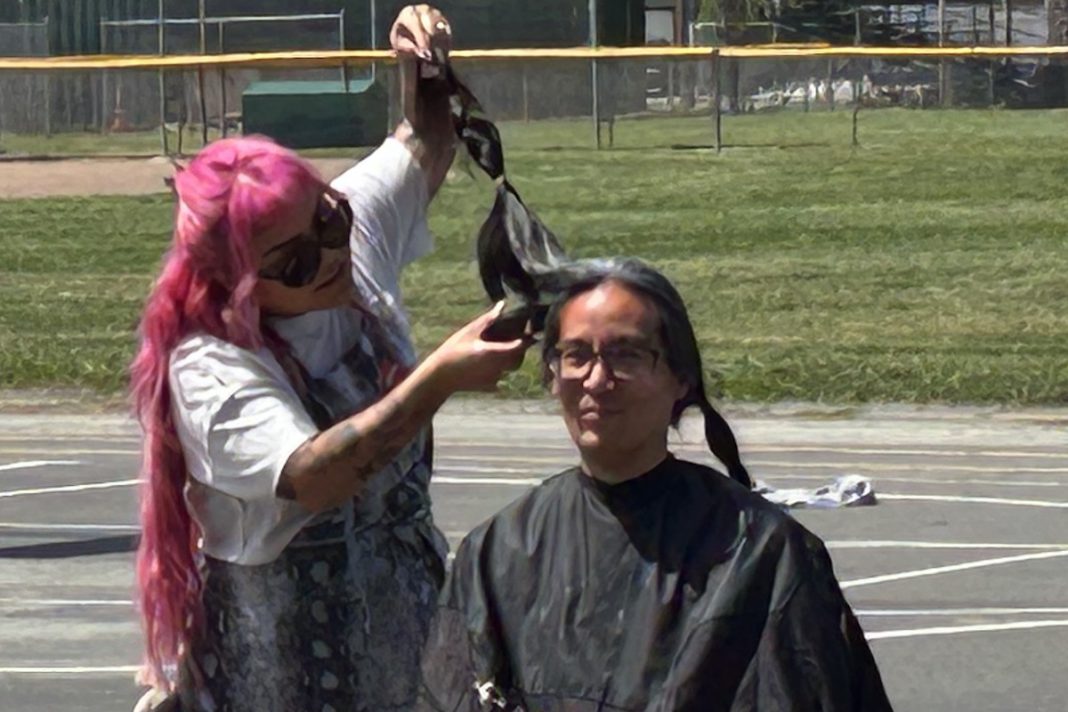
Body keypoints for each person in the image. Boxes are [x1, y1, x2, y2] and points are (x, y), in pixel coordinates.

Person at [130, 6, 530, 711]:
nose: (330, 253)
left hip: (406, 634)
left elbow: (426, 143)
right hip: (279, 673)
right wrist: (438, 379)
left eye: (329, 218)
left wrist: (420, 62)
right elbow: (315, 475)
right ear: (240, 284)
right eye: (292, 261)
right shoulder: (211, 365)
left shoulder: (345, 239)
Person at [418, 259, 893, 712]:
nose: (597, 380)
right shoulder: (500, 551)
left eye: (625, 355)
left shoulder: (762, 554)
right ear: (551, 375)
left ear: (680, 378)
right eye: (576, 355)